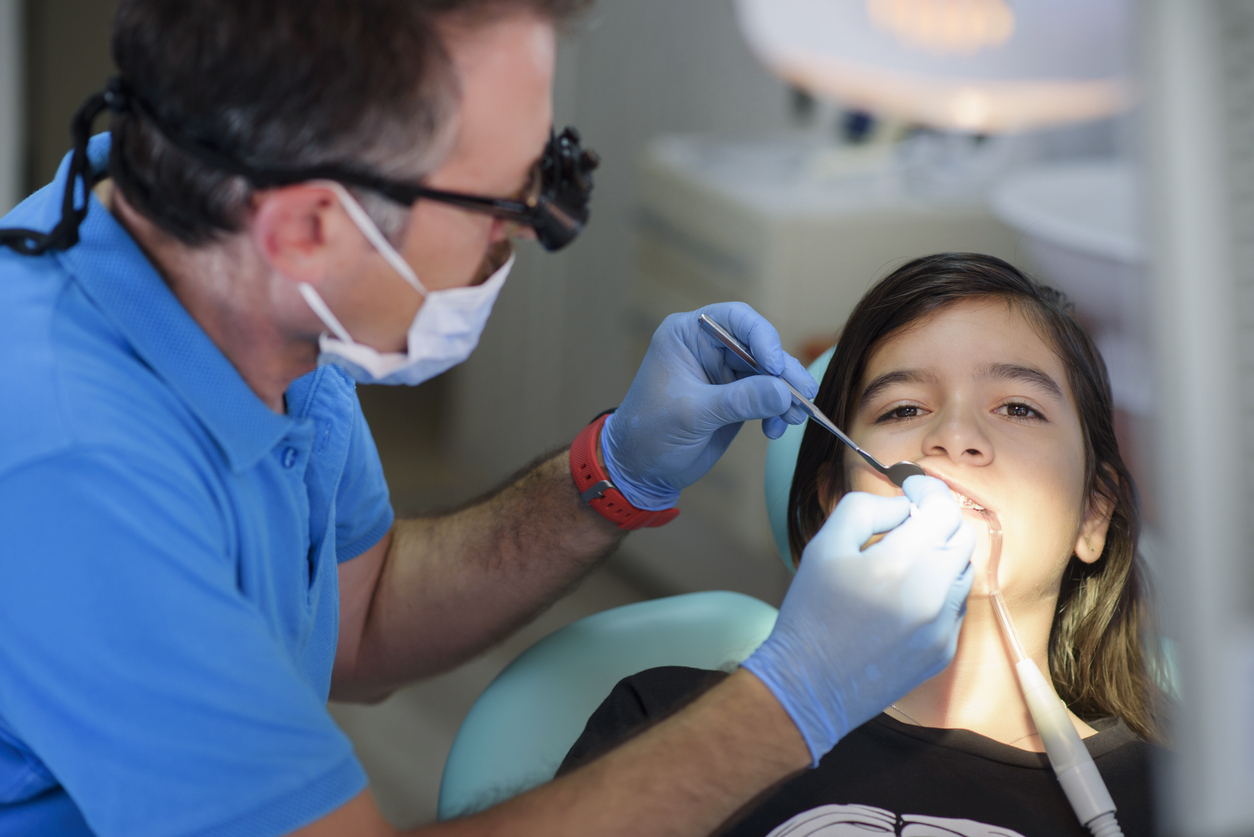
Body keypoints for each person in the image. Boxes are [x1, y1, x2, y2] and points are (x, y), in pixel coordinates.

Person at [0, 2, 977, 835]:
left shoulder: (241, 287)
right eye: (509, 201)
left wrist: (616, 473)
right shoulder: (66, 468)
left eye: (548, 176)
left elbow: (359, 619)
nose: (527, 232)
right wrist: (790, 705)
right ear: (308, 227)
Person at [561, 253, 1170, 837]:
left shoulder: (1176, 798)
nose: (954, 436)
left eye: (1017, 407)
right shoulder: (662, 725)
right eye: (905, 407)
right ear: (835, 504)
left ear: (1095, 512)